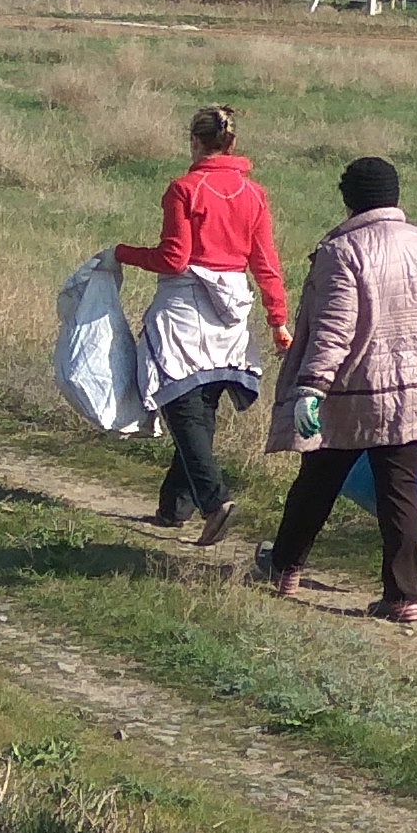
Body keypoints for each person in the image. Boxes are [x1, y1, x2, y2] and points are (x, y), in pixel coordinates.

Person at [254, 157, 417, 624]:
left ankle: (284, 568)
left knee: (317, 482)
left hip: (351, 393)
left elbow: (333, 331)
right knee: (402, 491)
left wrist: (312, 385)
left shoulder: (342, 251)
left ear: (348, 199)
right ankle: (404, 597)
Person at [115, 104, 289, 545]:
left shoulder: (184, 189)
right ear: (233, 143)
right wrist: (278, 320)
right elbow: (266, 263)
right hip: (233, 306)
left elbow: (173, 258)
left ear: (195, 142)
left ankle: (214, 501)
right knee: (204, 401)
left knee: (179, 399)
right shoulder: (253, 194)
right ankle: (175, 506)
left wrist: (123, 253)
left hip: (185, 304)